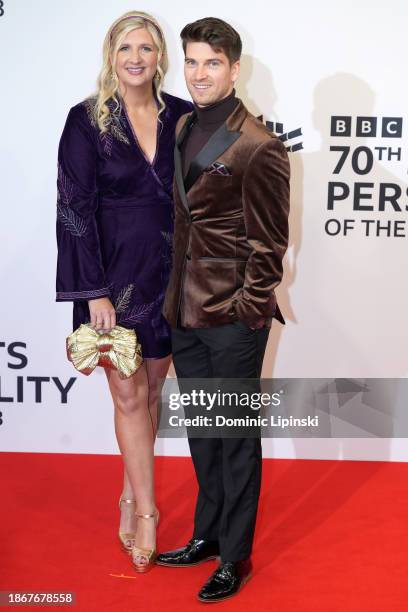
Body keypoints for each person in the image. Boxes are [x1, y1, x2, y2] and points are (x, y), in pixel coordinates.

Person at [157, 17, 290, 602]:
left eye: (212, 63)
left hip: (233, 317)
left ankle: (235, 555)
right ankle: (207, 535)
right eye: (191, 62)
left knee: (234, 438)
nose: (199, 73)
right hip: (184, 311)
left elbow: (270, 246)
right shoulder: (184, 124)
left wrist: (246, 310)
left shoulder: (259, 144)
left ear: (236, 69)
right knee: (205, 433)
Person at [55, 11, 193, 573]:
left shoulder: (184, 117)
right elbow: (73, 208)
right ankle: (149, 512)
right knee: (128, 395)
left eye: (147, 48)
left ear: (160, 57)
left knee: (152, 391)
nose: (136, 58)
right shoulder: (86, 121)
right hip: (112, 279)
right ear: (110, 55)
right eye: (125, 48)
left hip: (171, 275)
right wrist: (93, 292)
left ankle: (129, 490)